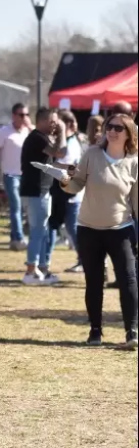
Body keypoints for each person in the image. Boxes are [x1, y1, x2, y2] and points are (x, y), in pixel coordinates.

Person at [61, 113, 138, 349]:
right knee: (93, 281)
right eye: (109, 127)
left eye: (118, 128)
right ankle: (95, 330)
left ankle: (132, 331)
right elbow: (76, 185)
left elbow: (136, 202)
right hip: (88, 229)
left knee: (128, 279)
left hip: (121, 229)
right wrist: (64, 181)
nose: (112, 131)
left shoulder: (134, 161)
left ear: (129, 134)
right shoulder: (92, 154)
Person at [19, 107, 65, 285]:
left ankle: (43, 269)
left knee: (43, 231)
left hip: (42, 190)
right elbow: (59, 152)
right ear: (42, 121)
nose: (55, 125)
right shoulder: (37, 138)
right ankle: (30, 272)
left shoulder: (41, 138)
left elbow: (56, 157)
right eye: (53, 122)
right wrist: (62, 131)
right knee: (38, 231)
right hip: (35, 191)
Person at [0, 103, 32, 251]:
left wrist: (30, 127)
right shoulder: (4, 132)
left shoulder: (29, 131)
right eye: (21, 115)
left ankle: (14, 239)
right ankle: (19, 238)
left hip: (25, 175)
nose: (24, 118)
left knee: (22, 208)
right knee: (16, 205)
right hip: (10, 174)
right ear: (14, 116)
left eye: (27, 115)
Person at [49, 111, 84, 274]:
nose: (54, 126)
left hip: (70, 193)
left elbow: (66, 165)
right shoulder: (67, 141)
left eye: (57, 123)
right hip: (65, 192)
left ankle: (85, 260)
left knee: (72, 227)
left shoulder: (71, 143)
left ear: (66, 124)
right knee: (70, 227)